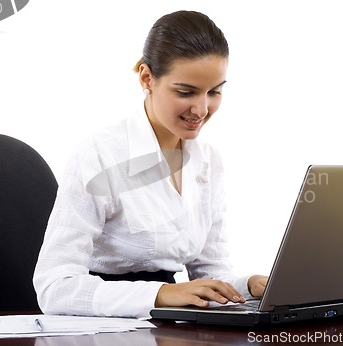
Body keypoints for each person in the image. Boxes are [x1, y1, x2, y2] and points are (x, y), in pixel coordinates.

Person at [33, 10, 268, 319]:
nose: (202, 108)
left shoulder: (209, 161)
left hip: (171, 323)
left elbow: (209, 275)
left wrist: (248, 286)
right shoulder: (99, 155)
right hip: (99, 325)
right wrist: (160, 294)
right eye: (186, 92)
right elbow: (55, 288)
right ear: (147, 78)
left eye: (215, 91)